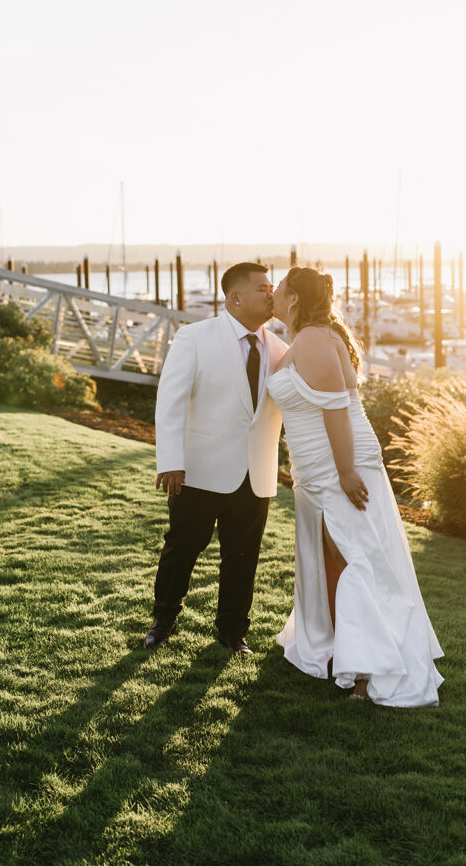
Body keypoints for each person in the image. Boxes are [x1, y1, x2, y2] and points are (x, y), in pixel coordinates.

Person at [268, 266, 444, 705]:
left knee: (358, 560)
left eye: (278, 286)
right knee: (337, 558)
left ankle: (373, 671)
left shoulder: (313, 340)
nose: (271, 291)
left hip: (339, 465)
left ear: (292, 299)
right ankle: (340, 649)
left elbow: (337, 413)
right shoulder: (306, 337)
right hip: (316, 467)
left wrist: (346, 473)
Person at [145, 262, 289, 655]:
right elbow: (170, 402)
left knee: (243, 557)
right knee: (182, 548)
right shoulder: (194, 337)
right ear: (235, 297)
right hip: (199, 469)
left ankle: (231, 632)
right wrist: (170, 460)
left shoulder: (281, 350)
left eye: (272, 286)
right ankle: (163, 620)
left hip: (255, 473)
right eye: (263, 288)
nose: (271, 294)